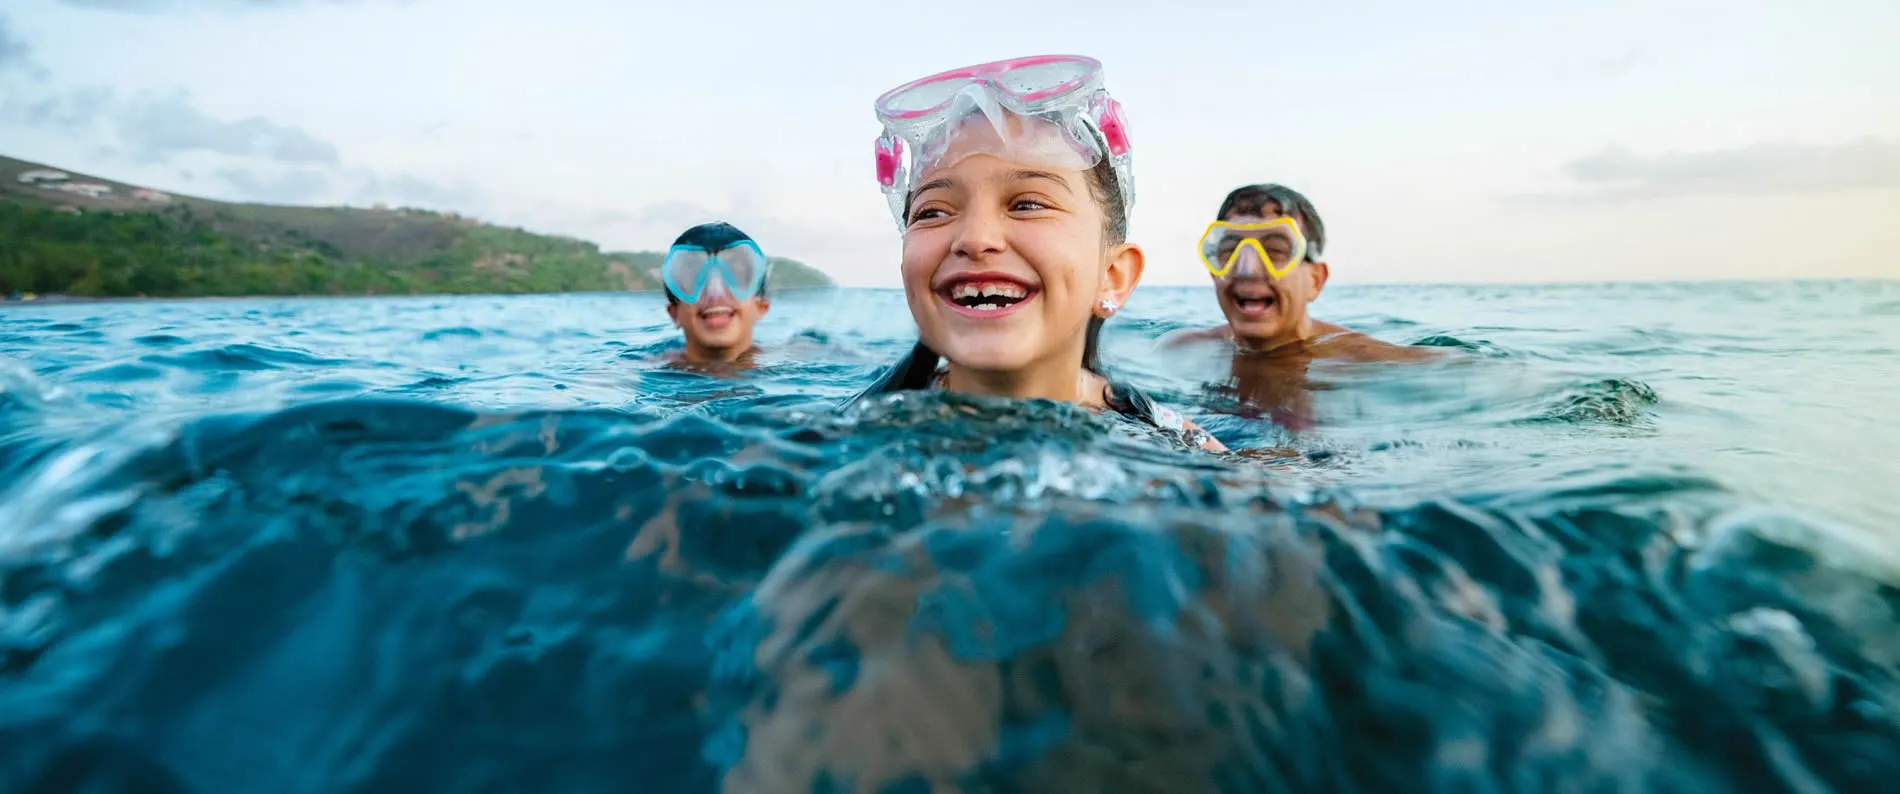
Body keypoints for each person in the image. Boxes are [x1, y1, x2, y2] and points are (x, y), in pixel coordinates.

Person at [843, 54, 1223, 452]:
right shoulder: (844, 439)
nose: (975, 238)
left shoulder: (1182, 449)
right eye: (933, 211)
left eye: (1027, 204)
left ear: (1112, 276)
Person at [660, 221, 772, 367]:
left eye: (735, 276)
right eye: (694, 279)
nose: (715, 295)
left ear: (761, 306)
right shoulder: (638, 374)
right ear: (674, 313)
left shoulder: (797, 358)